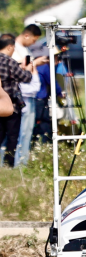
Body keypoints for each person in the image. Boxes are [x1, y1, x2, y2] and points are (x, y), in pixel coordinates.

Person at [0, 33, 44, 167]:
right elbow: (25, 78)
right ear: (9, 47)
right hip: (11, 106)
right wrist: (28, 69)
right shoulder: (9, 61)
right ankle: (8, 164)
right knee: (12, 137)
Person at [11, 24, 42, 167]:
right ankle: (17, 161)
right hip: (22, 94)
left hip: (29, 92)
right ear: (27, 35)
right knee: (21, 131)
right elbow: (20, 71)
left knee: (27, 130)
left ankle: (22, 160)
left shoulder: (24, 50)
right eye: (33, 40)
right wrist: (35, 64)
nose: (33, 43)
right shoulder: (14, 50)